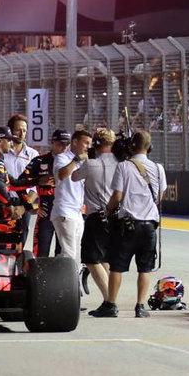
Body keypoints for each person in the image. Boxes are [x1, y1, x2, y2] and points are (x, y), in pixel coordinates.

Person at [95, 131, 166, 318]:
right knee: (145, 268)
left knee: (117, 266)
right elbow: (159, 196)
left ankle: (111, 304)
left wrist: (107, 212)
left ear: (131, 147)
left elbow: (117, 196)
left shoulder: (124, 166)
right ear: (149, 147)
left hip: (127, 225)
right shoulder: (158, 168)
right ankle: (140, 306)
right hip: (149, 225)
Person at [73, 127, 119, 304]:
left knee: (91, 258)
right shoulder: (121, 163)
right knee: (106, 258)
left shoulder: (91, 164)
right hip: (115, 216)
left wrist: (85, 158)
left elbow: (74, 177)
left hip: (96, 216)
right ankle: (111, 297)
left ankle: (109, 300)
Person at [51, 129, 92, 266]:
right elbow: (62, 175)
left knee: (74, 255)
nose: (88, 147)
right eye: (86, 143)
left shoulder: (85, 162)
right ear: (75, 142)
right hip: (64, 211)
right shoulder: (62, 157)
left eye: (89, 144)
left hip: (78, 212)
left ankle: (57, 278)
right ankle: (72, 286)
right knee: (70, 254)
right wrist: (77, 159)